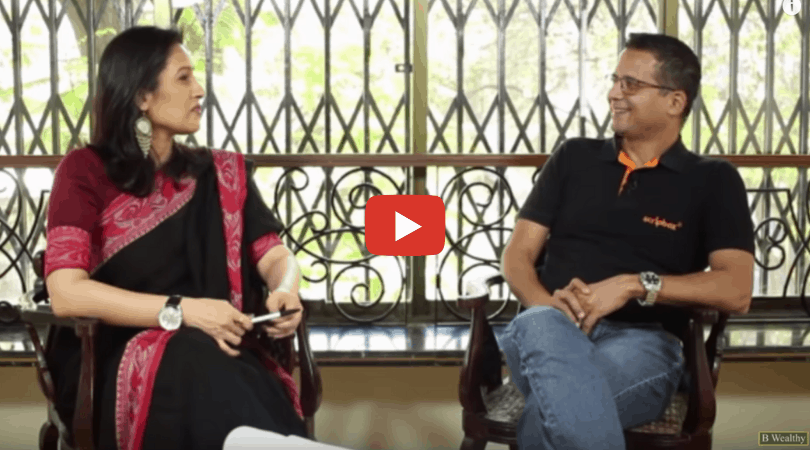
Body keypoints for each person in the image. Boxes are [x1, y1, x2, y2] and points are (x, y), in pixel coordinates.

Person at [43, 26, 307, 450]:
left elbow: (275, 255)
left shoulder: (219, 174)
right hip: (112, 355)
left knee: (208, 358)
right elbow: (66, 293)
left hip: (218, 346)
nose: (199, 89)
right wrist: (183, 312)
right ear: (141, 96)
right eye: (183, 78)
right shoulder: (84, 171)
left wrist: (285, 290)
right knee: (190, 355)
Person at [498, 33, 755, 449]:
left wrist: (632, 285)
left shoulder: (713, 179)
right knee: (538, 325)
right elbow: (517, 256)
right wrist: (552, 310)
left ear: (675, 101)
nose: (614, 94)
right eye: (615, 81)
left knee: (548, 417)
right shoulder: (574, 157)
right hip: (545, 332)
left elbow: (737, 289)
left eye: (630, 84)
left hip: (643, 341)